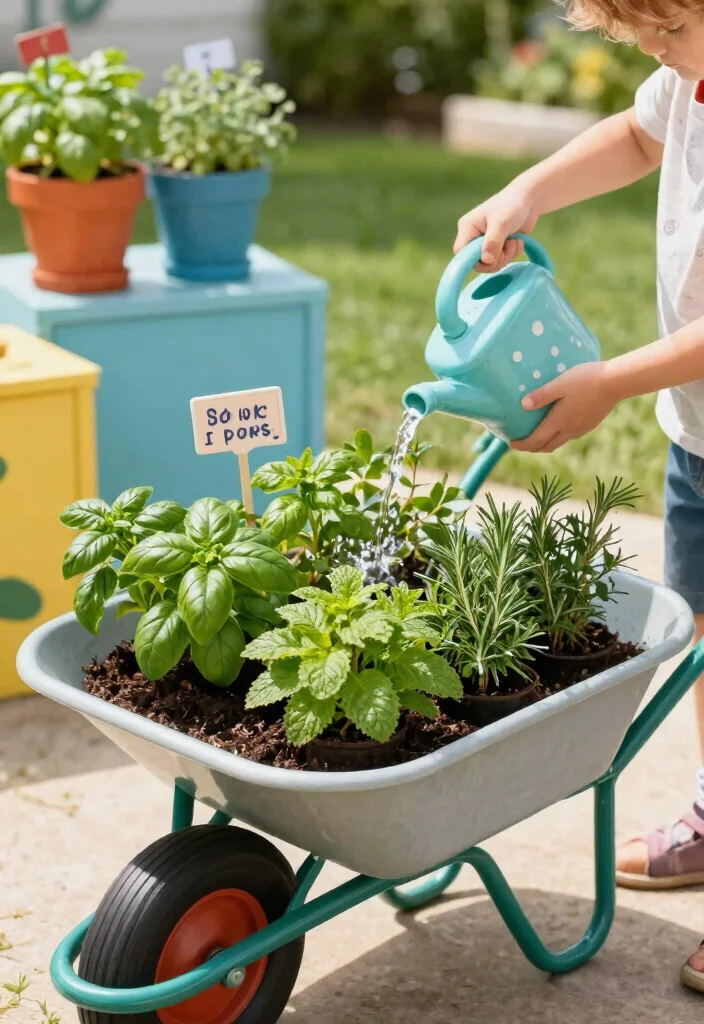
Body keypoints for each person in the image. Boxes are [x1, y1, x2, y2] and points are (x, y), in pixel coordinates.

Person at [453, 0, 704, 992]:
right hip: (697, 439)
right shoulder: (686, 78)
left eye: (667, 31)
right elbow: (636, 136)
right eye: (637, 33)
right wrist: (528, 191)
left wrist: (606, 384)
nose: (652, 51)